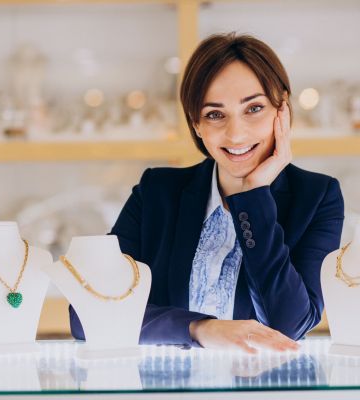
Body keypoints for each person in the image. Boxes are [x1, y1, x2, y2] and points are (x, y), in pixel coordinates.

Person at [70, 32, 344, 353]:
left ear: (281, 109)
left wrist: (254, 196)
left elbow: (290, 325)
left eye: (253, 108)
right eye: (215, 114)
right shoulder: (157, 191)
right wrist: (200, 327)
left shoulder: (317, 197)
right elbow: (85, 314)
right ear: (196, 124)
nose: (236, 133)